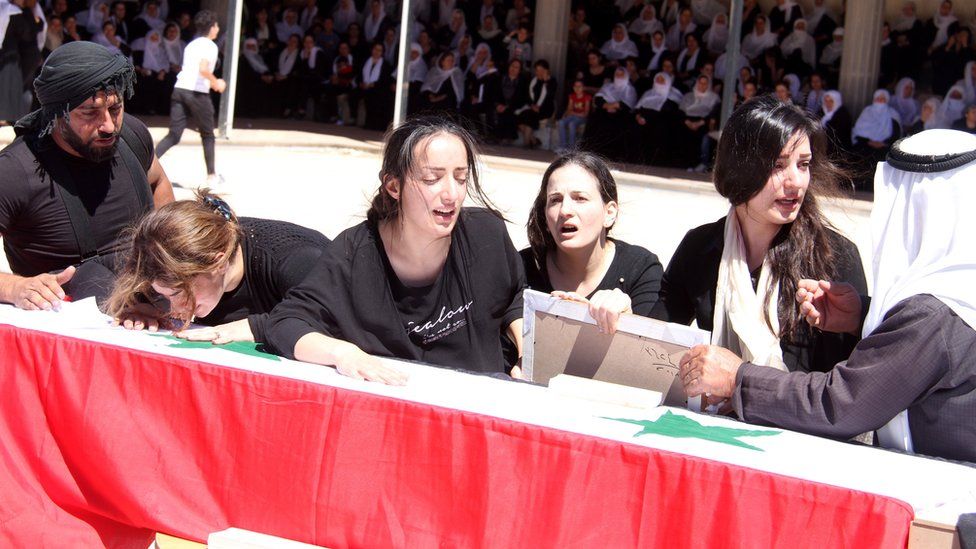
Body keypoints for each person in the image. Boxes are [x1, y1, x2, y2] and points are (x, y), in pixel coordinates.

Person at [679, 129, 976, 463]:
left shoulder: (931, 314)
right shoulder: (955, 292)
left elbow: (842, 404)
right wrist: (863, 316)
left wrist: (738, 380)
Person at [265, 116, 526, 383]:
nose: (452, 194)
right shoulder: (354, 253)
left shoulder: (487, 233)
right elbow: (285, 322)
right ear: (393, 186)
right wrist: (344, 354)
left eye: (460, 178)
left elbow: (516, 297)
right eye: (432, 178)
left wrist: (525, 352)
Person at [652, 95, 866, 375]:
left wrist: (857, 322)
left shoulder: (834, 256)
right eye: (778, 165)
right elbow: (655, 340)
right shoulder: (700, 247)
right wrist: (614, 311)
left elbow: (855, 374)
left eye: (803, 164)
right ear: (739, 168)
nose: (796, 182)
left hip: (796, 417)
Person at [0, 41, 174, 309]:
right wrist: (14, 287)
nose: (108, 125)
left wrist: (171, 245)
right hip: (78, 315)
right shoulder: (15, 170)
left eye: (115, 109)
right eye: (90, 113)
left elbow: (158, 179)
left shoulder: (131, 135)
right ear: (57, 113)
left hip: (148, 285)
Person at [106, 190, 331, 344]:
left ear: (218, 262)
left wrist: (259, 327)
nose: (174, 309)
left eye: (177, 293)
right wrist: (145, 308)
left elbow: (339, 324)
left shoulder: (295, 262)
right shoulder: (171, 269)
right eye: (163, 296)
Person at [522, 151, 662, 334]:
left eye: (580, 198)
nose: (565, 210)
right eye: (555, 200)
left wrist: (627, 319)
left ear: (609, 213)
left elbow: (652, 354)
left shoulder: (641, 268)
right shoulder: (521, 268)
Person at [155, 10, 226, 187]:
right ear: (211, 27)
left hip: (179, 89)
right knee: (208, 134)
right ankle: (212, 175)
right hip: (196, 93)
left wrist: (210, 82)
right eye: (216, 25)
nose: (217, 28)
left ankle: (145, 162)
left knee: (174, 134)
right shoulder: (210, 46)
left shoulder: (191, 45)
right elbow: (202, 69)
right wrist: (216, 82)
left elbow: (193, 71)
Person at [515, 59, 556, 149]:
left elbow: (550, 96)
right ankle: (533, 140)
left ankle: (526, 143)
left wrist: (546, 81)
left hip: (545, 109)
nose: (539, 72)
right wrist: (532, 105)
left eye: (541, 70)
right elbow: (528, 96)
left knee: (530, 115)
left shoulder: (552, 81)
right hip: (532, 108)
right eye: (537, 70)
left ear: (546, 70)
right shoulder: (533, 81)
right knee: (519, 117)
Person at [557, 79, 591, 151]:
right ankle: (563, 146)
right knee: (560, 122)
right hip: (574, 116)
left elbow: (585, 113)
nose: (577, 88)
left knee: (571, 124)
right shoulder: (572, 96)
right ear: (573, 87)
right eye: (575, 86)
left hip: (581, 118)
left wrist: (574, 113)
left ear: (583, 87)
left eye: (579, 86)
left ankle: (571, 148)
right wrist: (572, 113)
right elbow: (569, 110)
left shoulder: (586, 97)